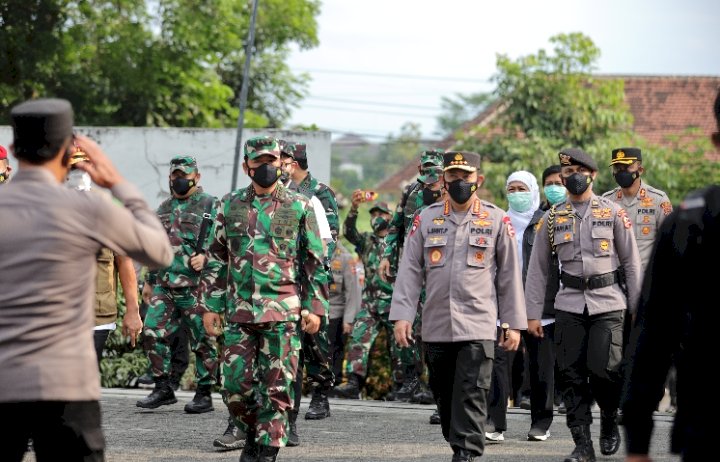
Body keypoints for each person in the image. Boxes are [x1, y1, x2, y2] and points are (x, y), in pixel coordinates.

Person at [0, 98, 172, 462]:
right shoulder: (89, 208)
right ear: (67, 151)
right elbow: (160, 252)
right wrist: (117, 183)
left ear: (14, 150)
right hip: (67, 384)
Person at [390, 151, 526, 462]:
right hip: (437, 325)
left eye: (466, 176)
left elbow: (508, 274)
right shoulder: (426, 218)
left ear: (479, 179)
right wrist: (402, 316)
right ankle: (460, 446)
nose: (460, 182)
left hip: (478, 325)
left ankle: (465, 454)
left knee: (472, 393)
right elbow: (410, 270)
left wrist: (513, 322)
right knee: (444, 395)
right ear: (444, 180)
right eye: (453, 177)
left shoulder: (495, 218)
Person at [200, 136, 329, 462]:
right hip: (239, 313)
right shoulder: (228, 205)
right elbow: (216, 258)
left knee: (278, 389)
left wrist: (315, 307)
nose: (266, 168)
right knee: (235, 386)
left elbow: (314, 259)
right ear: (247, 167)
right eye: (259, 163)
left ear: (280, 163)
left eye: (271, 162)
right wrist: (210, 306)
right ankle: (253, 438)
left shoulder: (299, 204)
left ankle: (265, 454)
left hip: (283, 313)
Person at [621, 89, 720, 462]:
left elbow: (655, 332)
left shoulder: (689, 219)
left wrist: (638, 443)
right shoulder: (688, 220)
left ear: (714, 141)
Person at [524, 148, 642, 462]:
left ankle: (608, 421)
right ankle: (582, 444)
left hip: (608, 304)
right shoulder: (551, 218)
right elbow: (537, 269)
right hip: (569, 305)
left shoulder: (613, 212)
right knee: (572, 376)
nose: (573, 176)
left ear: (592, 174)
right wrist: (532, 313)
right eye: (568, 172)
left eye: (579, 170)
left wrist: (638, 306)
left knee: (604, 370)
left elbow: (631, 263)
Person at [136, 156, 220, 414]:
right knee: (151, 332)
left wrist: (206, 257)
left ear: (197, 176)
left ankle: (204, 394)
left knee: (203, 341)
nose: (179, 179)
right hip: (164, 284)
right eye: (175, 175)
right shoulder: (162, 208)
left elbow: (226, 245)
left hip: (197, 287)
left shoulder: (211, 205)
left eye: (184, 174)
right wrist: (149, 281)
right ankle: (163, 387)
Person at [378, 149, 445, 421]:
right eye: (426, 168)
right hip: (412, 266)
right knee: (408, 325)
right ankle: (411, 380)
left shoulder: (450, 191)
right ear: (419, 168)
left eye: (436, 170)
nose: (431, 174)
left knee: (436, 328)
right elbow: (395, 226)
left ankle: (438, 389)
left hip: (440, 267)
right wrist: (386, 256)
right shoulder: (410, 192)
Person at [65, 156, 143, 366]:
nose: (79, 173)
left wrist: (132, 311)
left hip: (97, 314)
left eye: (85, 167)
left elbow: (124, 263)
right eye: (73, 168)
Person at [484, 170, 541, 444]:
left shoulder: (546, 221)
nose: (517, 193)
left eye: (522, 188)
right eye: (512, 188)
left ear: (533, 190)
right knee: (498, 360)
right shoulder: (499, 220)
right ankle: (495, 422)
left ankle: (540, 421)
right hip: (504, 299)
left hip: (538, 300)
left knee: (539, 361)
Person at [285, 142, 338, 421]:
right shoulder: (281, 193)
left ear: (293, 163)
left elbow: (330, 238)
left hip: (311, 278)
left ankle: (320, 395)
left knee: (315, 341)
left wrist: (311, 271)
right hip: (284, 281)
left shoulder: (319, 193)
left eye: (283, 160)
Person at [332, 198, 399, 399]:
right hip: (370, 303)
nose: (377, 218)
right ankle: (354, 382)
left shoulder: (397, 241)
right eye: (374, 215)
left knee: (399, 346)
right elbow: (349, 232)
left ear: (390, 217)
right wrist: (353, 209)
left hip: (393, 303)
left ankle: (402, 386)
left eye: (381, 215)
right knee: (358, 340)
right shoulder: (367, 241)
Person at [520, 165, 567, 441]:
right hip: (546, 307)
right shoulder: (536, 221)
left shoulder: (584, 215)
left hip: (577, 302)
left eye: (558, 182)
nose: (554, 187)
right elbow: (531, 268)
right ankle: (541, 421)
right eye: (549, 183)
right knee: (541, 367)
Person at [601, 148, 673, 274]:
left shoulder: (658, 200)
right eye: (617, 168)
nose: (621, 172)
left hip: (646, 279)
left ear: (640, 170)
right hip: (614, 282)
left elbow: (670, 242)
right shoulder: (606, 201)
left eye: (627, 167)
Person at [326, 239, 362, 392]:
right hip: (316, 311)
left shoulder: (345, 257)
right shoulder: (314, 250)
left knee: (335, 350)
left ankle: (333, 383)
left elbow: (353, 291)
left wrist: (348, 320)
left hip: (336, 311)